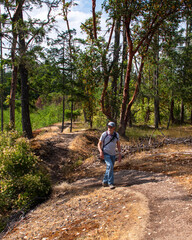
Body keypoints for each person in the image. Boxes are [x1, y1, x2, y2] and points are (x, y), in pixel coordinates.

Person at [98, 122, 122, 189]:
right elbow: (99, 144)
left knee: (109, 168)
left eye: (111, 127)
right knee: (110, 166)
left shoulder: (116, 135)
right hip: (105, 153)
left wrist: (120, 154)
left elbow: (118, 145)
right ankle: (110, 183)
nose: (109, 128)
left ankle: (105, 181)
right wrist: (101, 152)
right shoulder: (104, 134)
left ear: (114, 128)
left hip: (113, 154)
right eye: (108, 126)